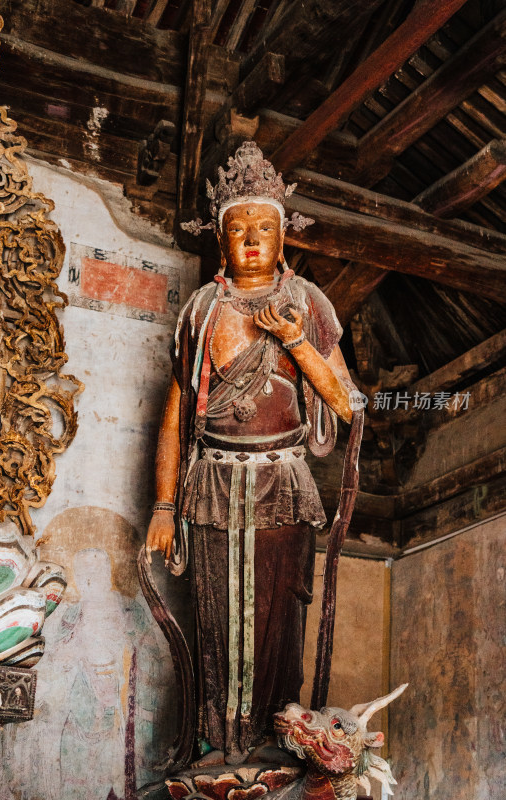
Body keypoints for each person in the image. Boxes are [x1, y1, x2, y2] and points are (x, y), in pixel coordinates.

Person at [146, 142, 357, 764]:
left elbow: (346, 404)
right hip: (211, 483)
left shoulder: (309, 302)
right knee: (215, 617)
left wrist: (295, 338)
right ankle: (216, 742)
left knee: (275, 617)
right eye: (239, 229)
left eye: (266, 227)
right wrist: (163, 505)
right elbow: (176, 415)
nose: (253, 240)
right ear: (221, 240)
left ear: (284, 235)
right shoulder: (202, 311)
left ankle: (270, 740)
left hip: (282, 480)